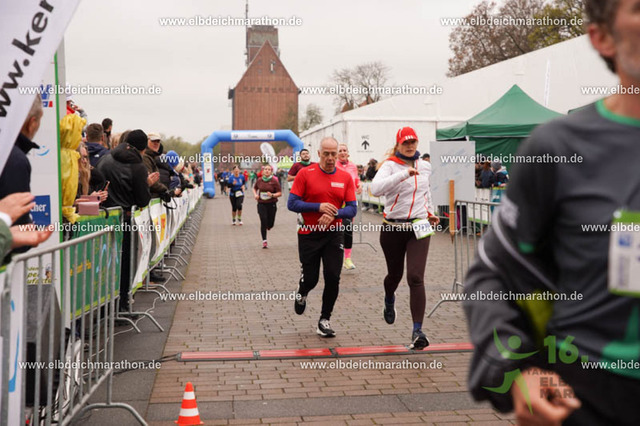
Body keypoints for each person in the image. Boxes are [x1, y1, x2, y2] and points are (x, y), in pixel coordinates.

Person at [464, 1, 640, 424]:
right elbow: (492, 276)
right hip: (592, 397)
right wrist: (516, 370)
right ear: (602, 37)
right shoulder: (558, 149)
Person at [371, 127, 439, 350]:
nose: (410, 146)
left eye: (413, 142)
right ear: (398, 144)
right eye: (405, 142)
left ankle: (417, 331)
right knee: (395, 275)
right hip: (393, 227)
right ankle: (389, 297)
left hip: (419, 225)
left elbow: (426, 192)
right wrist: (403, 174)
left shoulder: (425, 166)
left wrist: (430, 212)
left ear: (417, 143)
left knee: (416, 277)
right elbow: (375, 189)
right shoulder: (390, 165)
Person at [287, 137, 357, 337]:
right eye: (326, 154)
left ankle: (324, 320)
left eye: (333, 154)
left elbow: (352, 209)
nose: (330, 158)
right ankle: (302, 290)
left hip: (333, 234)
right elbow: (292, 203)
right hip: (309, 233)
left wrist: (334, 213)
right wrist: (318, 207)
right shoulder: (305, 173)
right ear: (319, 154)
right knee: (311, 279)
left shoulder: (345, 177)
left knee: (333, 277)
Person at [97, 130, 157, 311]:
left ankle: (104, 308)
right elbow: (143, 200)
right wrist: (147, 185)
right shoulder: (138, 167)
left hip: (103, 219)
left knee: (104, 264)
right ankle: (121, 304)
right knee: (124, 264)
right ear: (142, 149)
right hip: (125, 221)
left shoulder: (106, 159)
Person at [336, 143, 362, 270]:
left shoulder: (352, 166)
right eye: (340, 150)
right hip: (336, 201)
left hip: (349, 202)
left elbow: (356, 180)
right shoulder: (333, 165)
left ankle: (347, 258)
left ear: (348, 153)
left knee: (347, 228)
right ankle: (335, 257)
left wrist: (359, 185)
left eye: (344, 150)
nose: (342, 152)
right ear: (336, 154)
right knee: (335, 230)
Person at [253, 164, 282, 248]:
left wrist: (272, 195)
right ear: (263, 171)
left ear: (271, 172)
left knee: (270, 223)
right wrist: (255, 195)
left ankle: (269, 226)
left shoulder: (274, 181)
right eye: (265, 169)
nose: (267, 171)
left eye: (269, 169)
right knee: (263, 220)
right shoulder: (259, 180)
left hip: (271, 204)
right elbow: (254, 188)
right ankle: (264, 240)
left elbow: (280, 193)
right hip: (261, 203)